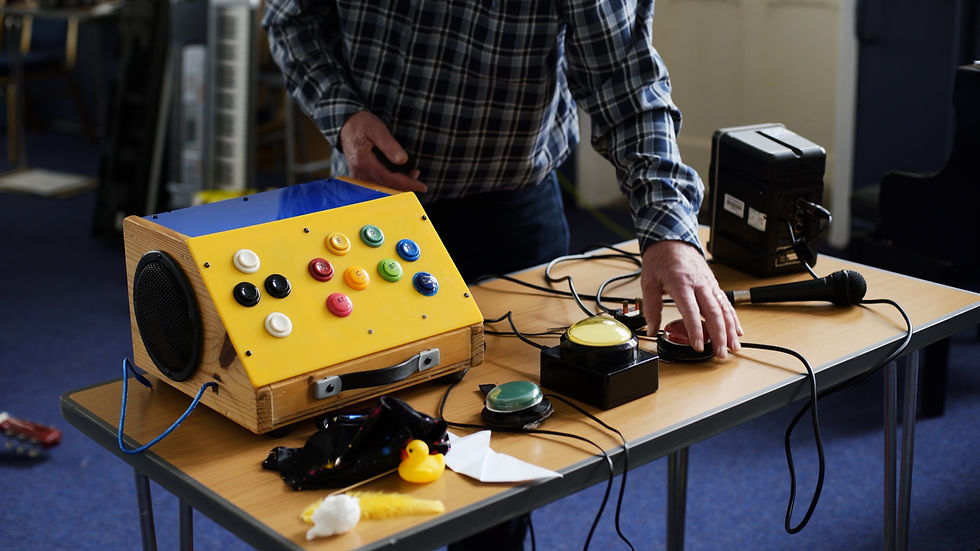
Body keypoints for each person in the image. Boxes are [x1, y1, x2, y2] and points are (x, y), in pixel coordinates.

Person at [262, 2, 742, 548]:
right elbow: (292, 18)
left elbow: (626, 84)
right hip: (365, 215)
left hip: (510, 219)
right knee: (355, 458)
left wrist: (670, 233)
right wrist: (343, 115)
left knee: (494, 476)